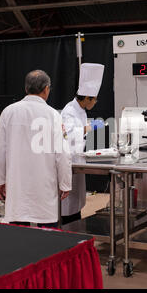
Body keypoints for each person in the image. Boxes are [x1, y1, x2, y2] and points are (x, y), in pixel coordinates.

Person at [0, 70, 72, 228]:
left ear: (26, 88)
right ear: (46, 89)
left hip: (17, 182)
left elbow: (0, 149)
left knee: (19, 227)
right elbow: (62, 154)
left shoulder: (9, 112)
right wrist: (65, 183)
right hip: (44, 183)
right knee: (48, 228)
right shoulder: (53, 115)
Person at [60, 63, 105, 225]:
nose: (95, 103)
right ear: (87, 98)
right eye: (94, 100)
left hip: (76, 160)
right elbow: (68, 135)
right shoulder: (69, 110)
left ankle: (75, 224)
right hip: (68, 161)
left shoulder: (81, 110)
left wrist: (88, 127)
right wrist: (90, 127)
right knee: (68, 203)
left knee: (75, 200)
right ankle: (67, 228)